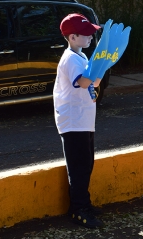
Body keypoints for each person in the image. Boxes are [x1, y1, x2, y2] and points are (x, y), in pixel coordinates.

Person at [54, 13, 104, 229]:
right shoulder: (71, 59)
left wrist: (103, 64)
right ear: (72, 37)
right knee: (79, 167)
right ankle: (79, 209)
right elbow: (84, 83)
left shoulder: (81, 57)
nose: (91, 36)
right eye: (86, 33)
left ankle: (83, 205)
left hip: (83, 121)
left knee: (85, 165)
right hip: (74, 123)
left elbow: (94, 82)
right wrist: (101, 63)